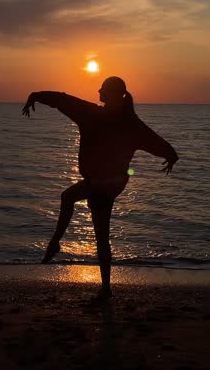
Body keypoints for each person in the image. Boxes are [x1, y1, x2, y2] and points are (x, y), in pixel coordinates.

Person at [22, 76, 179, 300]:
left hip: (103, 184)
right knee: (94, 228)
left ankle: (56, 244)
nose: (99, 91)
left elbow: (64, 101)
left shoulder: (94, 115)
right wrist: (171, 156)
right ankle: (104, 286)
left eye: (103, 88)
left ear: (113, 94)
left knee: (71, 201)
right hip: (113, 183)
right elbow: (157, 142)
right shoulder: (132, 123)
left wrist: (36, 96)